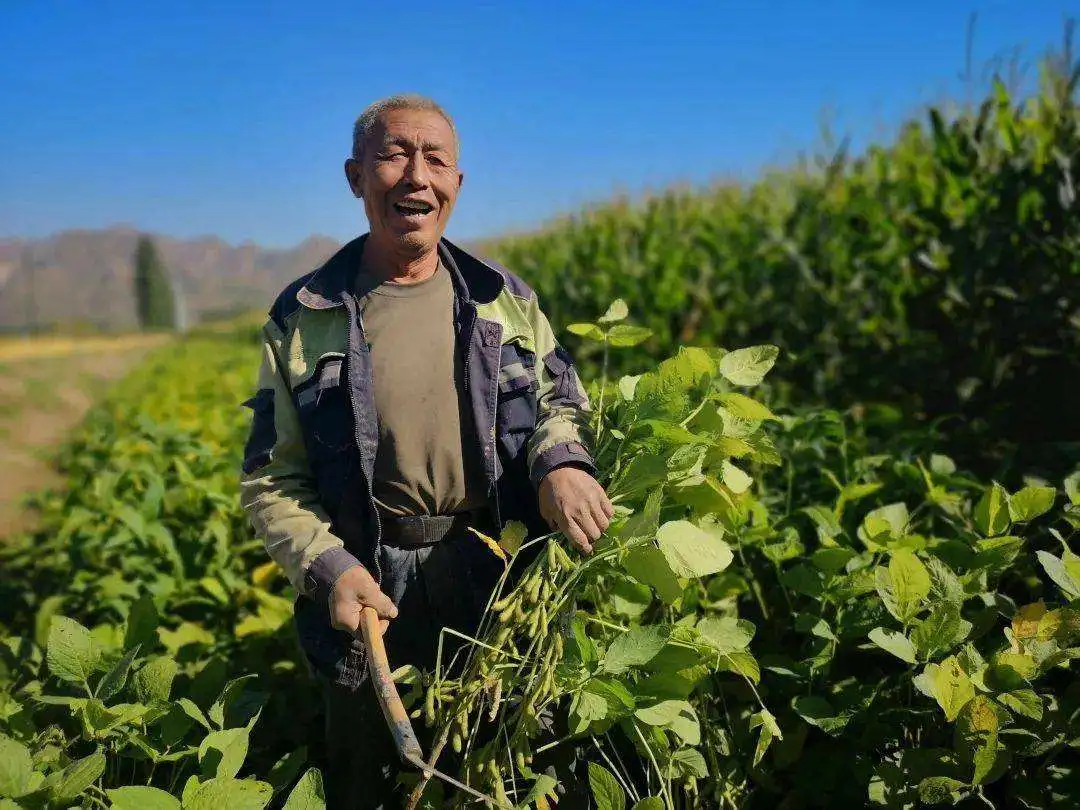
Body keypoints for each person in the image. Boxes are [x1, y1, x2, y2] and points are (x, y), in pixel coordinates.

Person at [238, 94, 613, 808]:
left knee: (513, 764)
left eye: (436, 159)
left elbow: (560, 404)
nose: (417, 176)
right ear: (356, 177)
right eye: (394, 155)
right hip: (371, 583)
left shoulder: (503, 300)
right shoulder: (303, 318)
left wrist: (561, 464)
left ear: (458, 185)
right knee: (375, 777)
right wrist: (329, 569)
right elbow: (271, 481)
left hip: (497, 572)